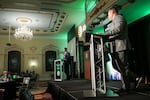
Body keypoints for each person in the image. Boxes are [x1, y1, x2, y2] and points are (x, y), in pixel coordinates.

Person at [98, 6, 137, 95]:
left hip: (120, 47)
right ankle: (135, 78)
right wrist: (103, 38)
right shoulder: (112, 23)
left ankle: (125, 88)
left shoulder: (119, 17)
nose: (108, 16)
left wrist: (104, 35)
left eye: (108, 14)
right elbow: (112, 36)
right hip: (115, 48)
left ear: (113, 12)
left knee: (123, 67)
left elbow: (118, 30)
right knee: (116, 66)